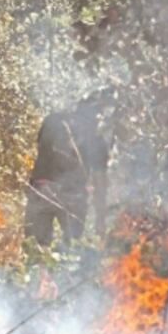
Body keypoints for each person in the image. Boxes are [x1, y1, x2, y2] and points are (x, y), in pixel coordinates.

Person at [24, 95, 110, 247]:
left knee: (34, 248)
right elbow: (100, 181)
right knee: (72, 249)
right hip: (73, 196)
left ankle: (37, 260)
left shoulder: (52, 121)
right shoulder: (96, 140)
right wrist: (100, 220)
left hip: (41, 190)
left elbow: (40, 149)